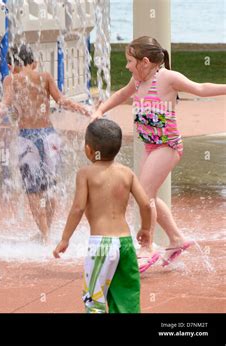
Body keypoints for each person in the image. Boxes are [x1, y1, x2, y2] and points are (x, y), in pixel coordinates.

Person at [91, 36, 226, 272]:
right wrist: (100, 109)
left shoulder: (166, 78)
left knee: (144, 195)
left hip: (168, 146)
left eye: (130, 61)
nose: (127, 66)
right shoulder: (138, 80)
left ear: (144, 61)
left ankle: (147, 247)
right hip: (151, 145)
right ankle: (176, 239)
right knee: (148, 195)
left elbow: (200, 88)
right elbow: (121, 95)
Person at [53, 119, 152, 313]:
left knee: (94, 301)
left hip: (101, 245)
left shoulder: (86, 174)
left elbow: (77, 208)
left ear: (89, 150)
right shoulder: (127, 173)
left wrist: (65, 239)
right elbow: (146, 204)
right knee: (127, 297)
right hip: (125, 244)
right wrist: (146, 228)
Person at [1, 44, 90, 243]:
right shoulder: (45, 77)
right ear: (35, 63)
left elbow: (4, 105)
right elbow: (62, 101)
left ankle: (44, 235)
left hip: (27, 140)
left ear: (10, 65)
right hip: (50, 137)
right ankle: (47, 231)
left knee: (33, 190)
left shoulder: (11, 79)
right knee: (50, 186)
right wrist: (84, 109)